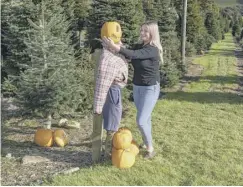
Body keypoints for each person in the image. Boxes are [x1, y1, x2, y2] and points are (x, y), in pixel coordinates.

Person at [102, 21, 163, 159]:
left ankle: (150, 149)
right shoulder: (140, 46)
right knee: (145, 118)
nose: (142, 33)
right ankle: (147, 142)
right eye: (141, 30)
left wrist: (116, 47)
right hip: (137, 87)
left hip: (150, 88)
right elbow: (129, 52)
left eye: (145, 31)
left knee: (141, 120)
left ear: (152, 33)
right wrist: (115, 44)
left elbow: (135, 55)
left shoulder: (152, 49)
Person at [92, 22, 128, 162]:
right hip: (112, 92)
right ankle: (109, 155)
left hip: (115, 90)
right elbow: (102, 86)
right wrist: (98, 108)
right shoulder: (108, 60)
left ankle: (110, 152)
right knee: (112, 124)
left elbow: (123, 49)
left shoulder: (114, 49)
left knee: (114, 121)